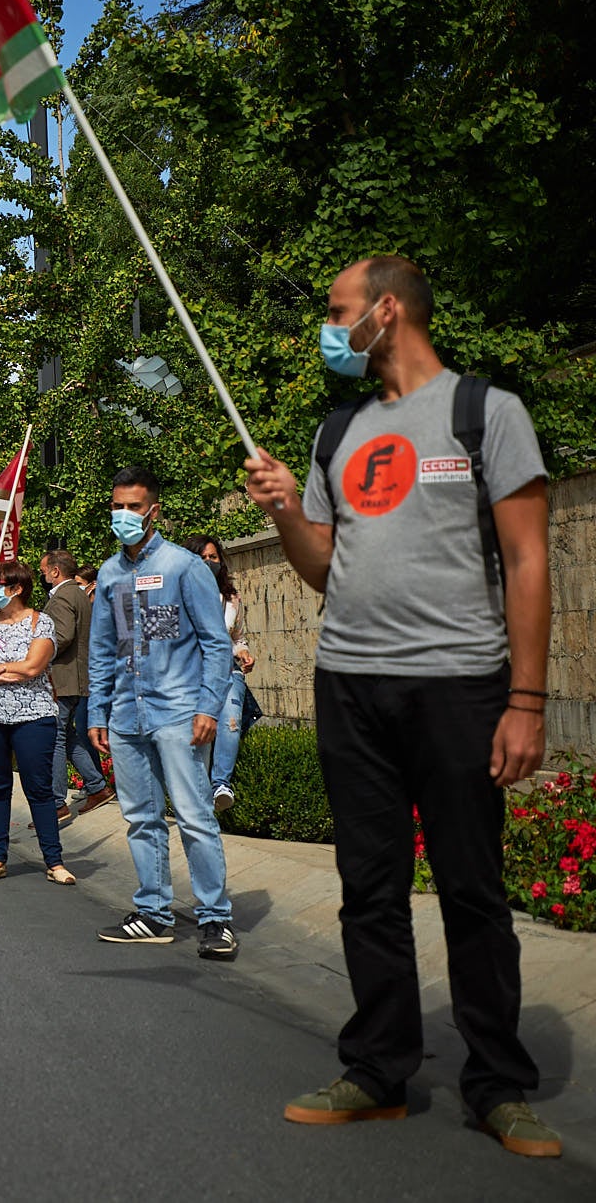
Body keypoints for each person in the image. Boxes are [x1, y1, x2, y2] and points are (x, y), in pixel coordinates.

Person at [244, 255, 556, 1155]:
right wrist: (281, 512)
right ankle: (379, 1069)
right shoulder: (336, 430)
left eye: (338, 311)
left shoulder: (485, 413)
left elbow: (531, 560)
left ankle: (499, 1084)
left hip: (460, 684)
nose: (328, 328)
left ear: (387, 311)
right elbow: (318, 570)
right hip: (351, 683)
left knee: (472, 888)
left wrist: (526, 699)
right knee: (367, 891)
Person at [87, 466, 237, 960]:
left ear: (155, 511)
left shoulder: (184, 567)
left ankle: (216, 919)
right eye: (117, 506)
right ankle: (153, 911)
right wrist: (98, 711)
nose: (124, 515)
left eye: (134, 507)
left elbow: (217, 645)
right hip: (127, 716)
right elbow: (104, 650)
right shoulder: (109, 574)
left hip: (178, 713)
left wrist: (208, 706)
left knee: (194, 817)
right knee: (140, 818)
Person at [0, 561, 73, 884]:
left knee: (39, 788)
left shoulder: (41, 623)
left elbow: (34, 667)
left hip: (33, 716)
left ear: (17, 588)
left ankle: (54, 861)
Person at [182, 535, 255, 812]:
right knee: (201, 733)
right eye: (202, 558)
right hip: (193, 676)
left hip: (227, 672)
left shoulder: (231, 599)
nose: (208, 562)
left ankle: (221, 785)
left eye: (213, 557)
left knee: (230, 724)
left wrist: (244, 652)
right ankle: (197, 795)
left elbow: (237, 637)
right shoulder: (178, 594)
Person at [40, 549, 113, 821]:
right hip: (79, 677)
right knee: (69, 736)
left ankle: (57, 803)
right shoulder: (80, 596)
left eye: (44, 570)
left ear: (56, 571)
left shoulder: (62, 598)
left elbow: (62, 635)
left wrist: (38, 653)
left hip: (63, 679)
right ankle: (97, 787)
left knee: (55, 737)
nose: (42, 574)